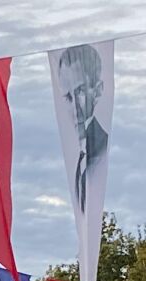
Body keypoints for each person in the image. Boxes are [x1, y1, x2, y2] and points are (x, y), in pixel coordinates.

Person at [55, 44, 108, 211]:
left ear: (98, 91)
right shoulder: (80, 158)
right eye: (68, 97)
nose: (75, 108)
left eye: (80, 92)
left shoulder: (103, 149)